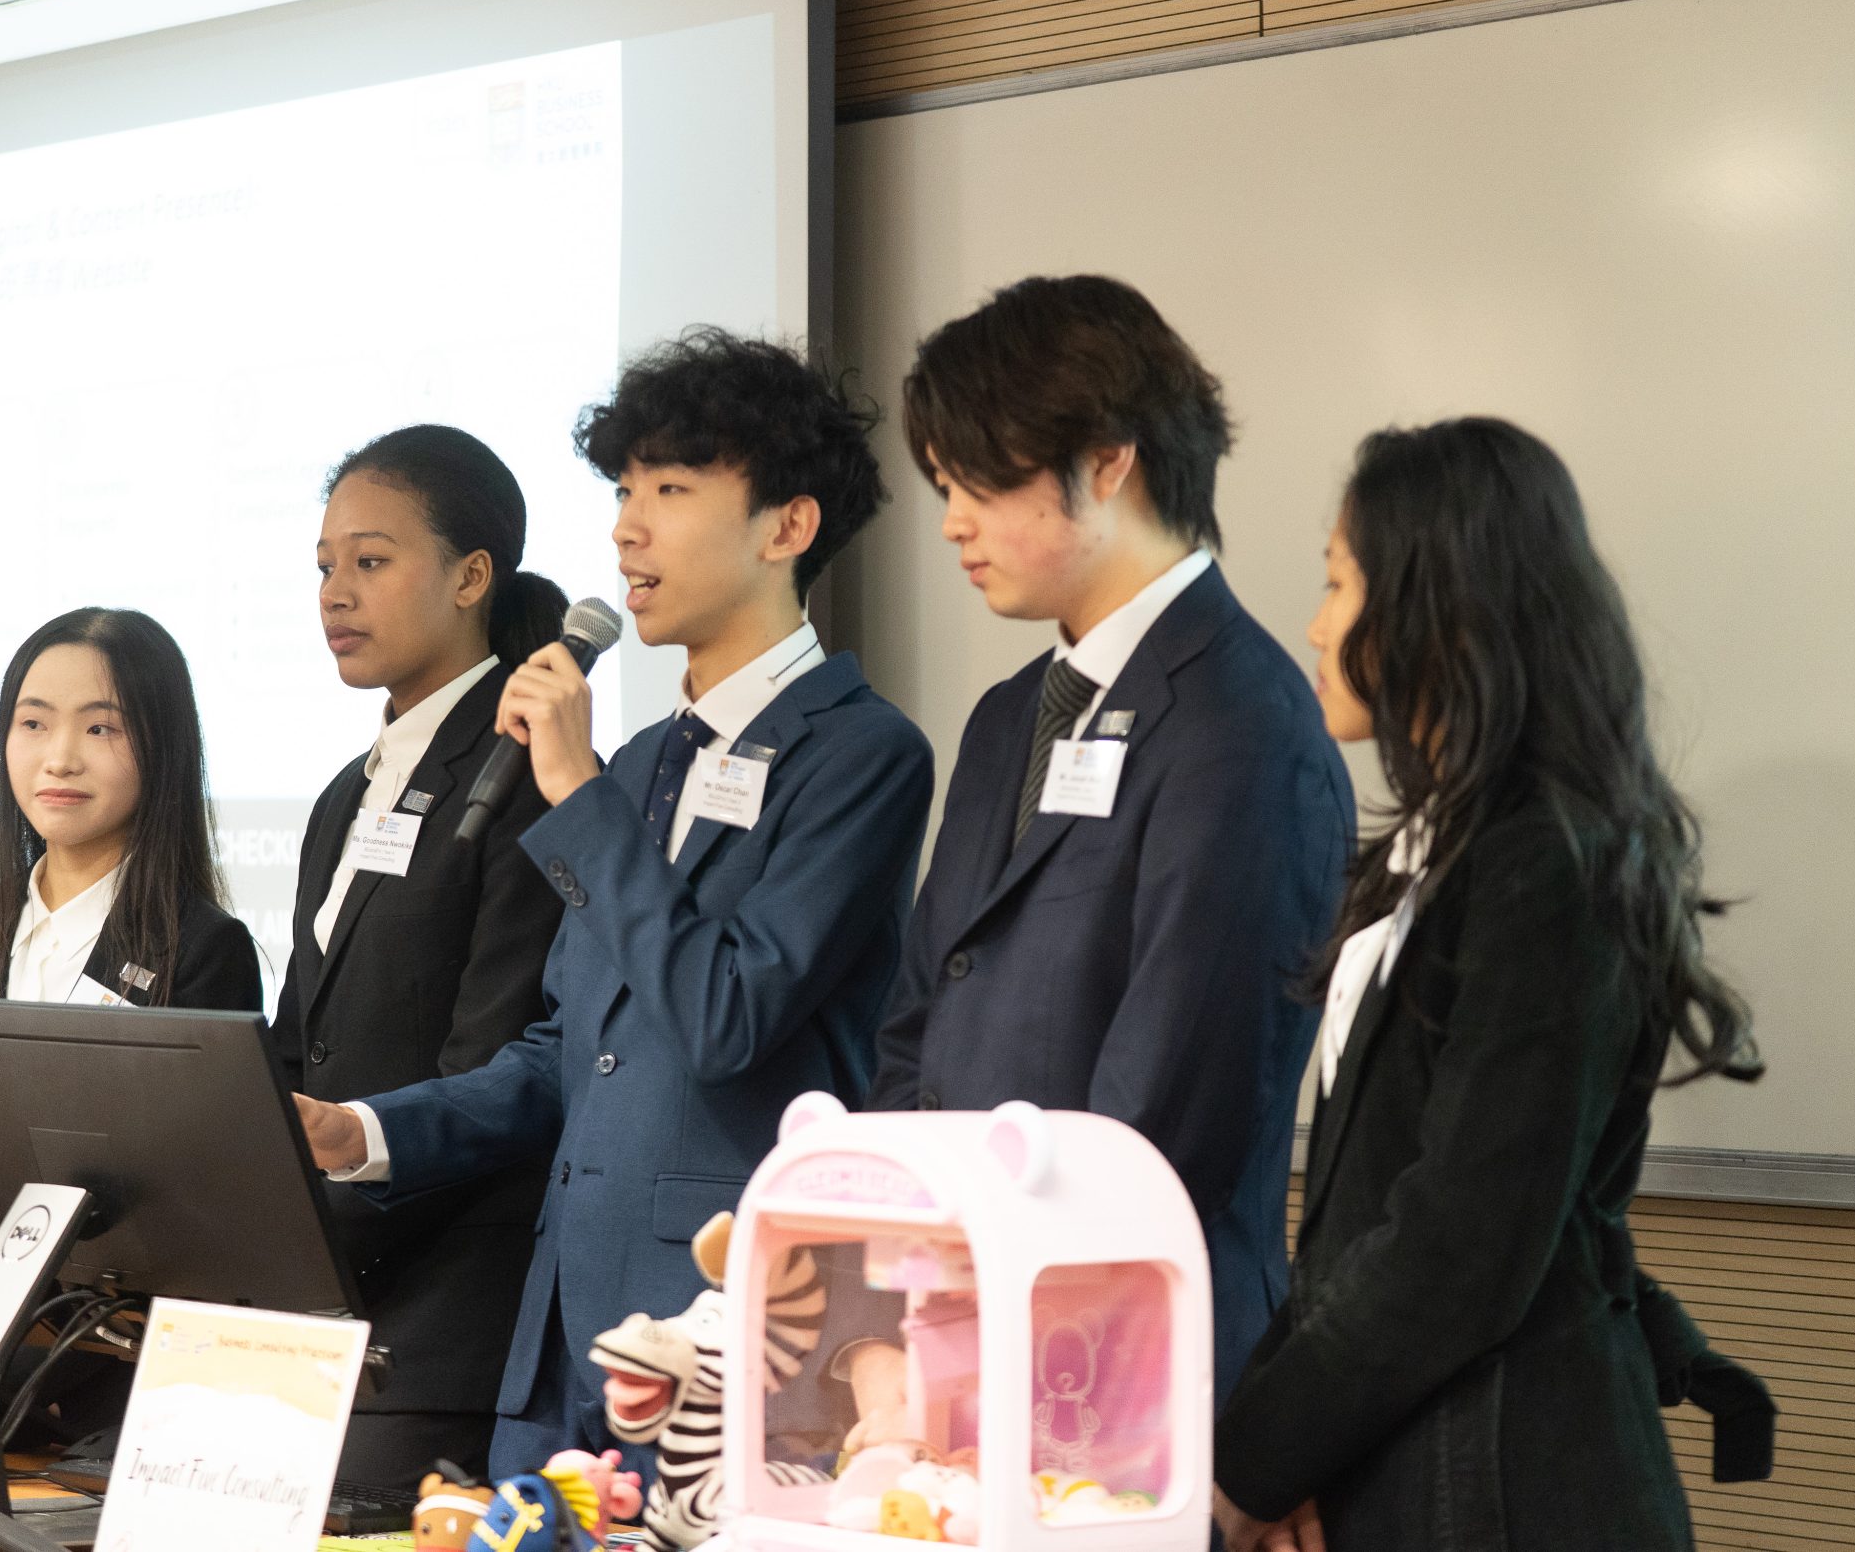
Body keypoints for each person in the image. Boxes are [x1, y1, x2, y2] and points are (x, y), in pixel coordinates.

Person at [293, 329, 935, 1475]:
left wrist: (579, 793)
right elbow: (562, 1053)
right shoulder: (636, 766)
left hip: (731, 1333)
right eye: (624, 491)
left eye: (670, 491)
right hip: (559, 1336)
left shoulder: (860, 754)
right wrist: (369, 1131)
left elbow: (727, 1013)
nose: (627, 528)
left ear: (787, 526)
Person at [1212, 418, 1770, 1552]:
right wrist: (1284, 1455)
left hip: (1505, 1478)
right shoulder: (1435, 847)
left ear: (1442, 608)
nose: (1314, 623)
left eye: (1337, 582)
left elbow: (1458, 1242)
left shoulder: (1546, 858)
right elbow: (1358, 1230)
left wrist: (1258, 1463)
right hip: (1413, 1450)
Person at [857, 274, 1353, 1422]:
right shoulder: (1005, 717)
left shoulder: (1242, 722)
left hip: (1126, 1363)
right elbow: (918, 1020)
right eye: (942, 485)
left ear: (1109, 459)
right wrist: (898, 1294)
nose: (952, 521)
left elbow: (1173, 1101)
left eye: (980, 480)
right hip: (957, 1339)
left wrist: (987, 1318)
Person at [275, 425, 570, 1486]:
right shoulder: (342, 796)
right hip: (317, 1303)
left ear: (470, 577)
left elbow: (499, 1067)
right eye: (323, 566)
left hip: (445, 1320)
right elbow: (296, 1045)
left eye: (369, 560)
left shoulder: (529, 768)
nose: (335, 593)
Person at [0, 606, 262, 1282]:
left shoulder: (204, 948)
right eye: (33, 724)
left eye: (101, 728)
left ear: (162, 748)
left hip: (117, 1325)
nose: (60, 758)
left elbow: (192, 1196)